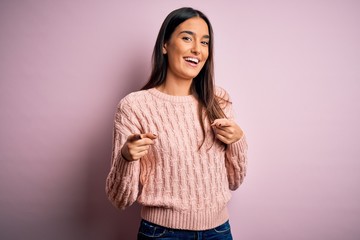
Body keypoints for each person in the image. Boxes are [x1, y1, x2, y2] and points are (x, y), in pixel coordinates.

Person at [106, 7, 248, 240]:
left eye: (204, 42)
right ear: (165, 45)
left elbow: (234, 181)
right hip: (162, 234)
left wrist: (238, 142)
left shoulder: (218, 100)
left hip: (219, 232)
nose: (197, 49)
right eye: (186, 38)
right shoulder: (134, 106)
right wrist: (126, 158)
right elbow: (119, 199)